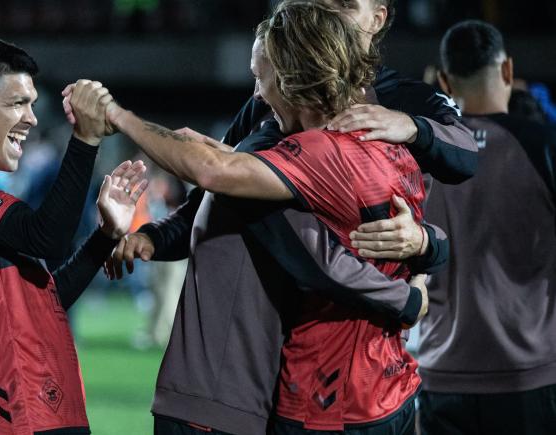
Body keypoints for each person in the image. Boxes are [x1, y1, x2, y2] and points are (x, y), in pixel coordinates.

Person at [68, 2, 440, 434]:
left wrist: (115, 115)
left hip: (290, 402)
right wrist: (431, 249)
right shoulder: (390, 150)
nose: (258, 93)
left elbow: (322, 260)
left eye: (262, 77)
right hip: (378, 389)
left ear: (294, 77)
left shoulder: (308, 157)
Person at [0, 36, 147, 433]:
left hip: (46, 408)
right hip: (13, 414)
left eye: (32, 103)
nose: (32, 117)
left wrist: (105, 235)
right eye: (17, 103)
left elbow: (44, 302)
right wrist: (85, 140)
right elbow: (46, 238)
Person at [415, 20, 556, 435]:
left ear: (444, 79)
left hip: (440, 373)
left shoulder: (421, 155)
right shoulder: (543, 146)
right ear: (508, 71)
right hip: (527, 374)